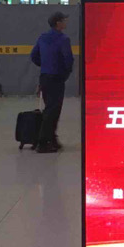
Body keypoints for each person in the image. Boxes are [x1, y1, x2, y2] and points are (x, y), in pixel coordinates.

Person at [29, 11, 73, 153]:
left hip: (45, 77)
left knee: (50, 107)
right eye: (64, 20)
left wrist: (45, 65)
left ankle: (52, 138)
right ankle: (43, 142)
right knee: (53, 110)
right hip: (57, 77)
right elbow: (68, 59)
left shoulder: (43, 37)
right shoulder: (63, 39)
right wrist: (66, 73)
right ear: (58, 23)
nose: (66, 22)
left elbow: (34, 55)